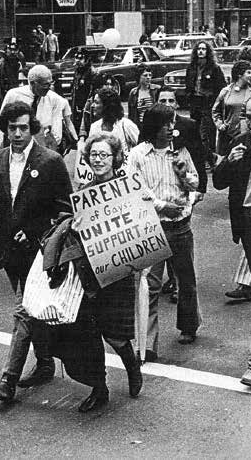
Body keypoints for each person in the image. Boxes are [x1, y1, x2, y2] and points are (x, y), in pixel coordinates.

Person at [0, 101, 73, 402]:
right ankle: (44, 363)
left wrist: (32, 230)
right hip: (7, 252)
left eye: (23, 128)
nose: (17, 133)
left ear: (33, 129)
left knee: (23, 311)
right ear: (4, 129)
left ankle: (8, 379)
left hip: (38, 252)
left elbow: (66, 210)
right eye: (12, 128)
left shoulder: (50, 161)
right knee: (31, 311)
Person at [58, 132, 142, 412]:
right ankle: (99, 387)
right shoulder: (83, 193)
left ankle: (132, 366)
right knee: (89, 334)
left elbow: (141, 228)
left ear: (116, 158)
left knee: (116, 335)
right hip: (89, 275)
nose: (98, 160)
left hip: (118, 273)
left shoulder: (127, 188)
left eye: (104, 155)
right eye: (94, 155)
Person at [128, 104, 200, 358]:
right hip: (153, 227)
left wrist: (185, 177)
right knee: (150, 285)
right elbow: (134, 189)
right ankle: (147, 342)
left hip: (180, 226)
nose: (172, 128)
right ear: (153, 126)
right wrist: (161, 206)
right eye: (166, 124)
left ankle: (189, 325)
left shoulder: (179, 153)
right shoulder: (137, 155)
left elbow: (195, 182)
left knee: (186, 280)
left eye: (173, 123)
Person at [213, 95, 251, 388]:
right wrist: (228, 163)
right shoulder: (240, 143)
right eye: (250, 117)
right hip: (249, 225)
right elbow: (219, 182)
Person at [157, 86, 208, 301]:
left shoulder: (188, 125)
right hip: (160, 188)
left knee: (180, 234)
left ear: (177, 104)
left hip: (184, 188)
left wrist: (201, 188)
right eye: (163, 100)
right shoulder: (153, 124)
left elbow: (198, 155)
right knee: (163, 235)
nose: (168, 104)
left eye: (171, 101)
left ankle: (179, 282)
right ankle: (172, 277)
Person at [0, 65, 65, 154]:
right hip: (17, 147)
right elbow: (0, 127)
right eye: (45, 84)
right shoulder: (14, 95)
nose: (49, 87)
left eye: (51, 83)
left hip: (42, 149)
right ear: (33, 83)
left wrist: (52, 152)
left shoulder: (54, 99)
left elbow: (57, 129)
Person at [185, 40, 226, 167]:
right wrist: (189, 97)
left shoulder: (214, 68)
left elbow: (221, 87)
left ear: (208, 51)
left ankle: (210, 157)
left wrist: (215, 102)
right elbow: (188, 84)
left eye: (203, 49)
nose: (201, 51)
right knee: (194, 130)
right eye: (199, 49)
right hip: (195, 102)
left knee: (208, 131)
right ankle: (199, 156)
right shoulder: (191, 67)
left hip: (208, 103)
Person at [212, 60, 251, 156]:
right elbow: (215, 110)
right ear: (239, 74)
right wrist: (220, 124)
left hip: (246, 134)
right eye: (248, 72)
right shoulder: (226, 91)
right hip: (227, 134)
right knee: (226, 161)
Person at [89, 87, 139, 158]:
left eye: (96, 102)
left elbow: (141, 148)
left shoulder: (126, 125)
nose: (92, 105)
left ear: (107, 106)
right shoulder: (94, 127)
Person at [128, 64, 160, 133]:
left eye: (150, 75)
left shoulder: (156, 90)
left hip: (155, 126)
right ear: (139, 77)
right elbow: (131, 114)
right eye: (145, 75)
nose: (148, 78)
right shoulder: (133, 93)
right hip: (140, 126)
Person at [71, 50, 95, 134]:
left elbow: (92, 90)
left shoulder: (91, 72)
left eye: (81, 58)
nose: (78, 60)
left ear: (86, 59)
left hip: (86, 102)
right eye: (76, 57)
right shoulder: (77, 70)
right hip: (77, 101)